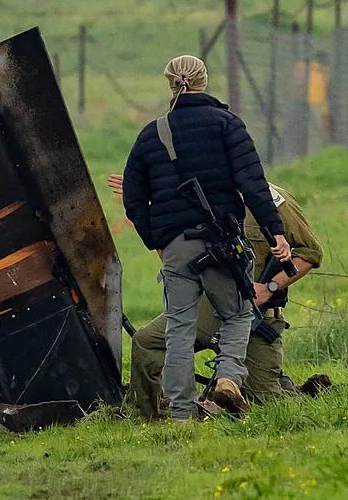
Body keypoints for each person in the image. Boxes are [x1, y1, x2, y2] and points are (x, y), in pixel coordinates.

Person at [121, 55, 292, 424]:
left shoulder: (151, 135)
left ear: (171, 84)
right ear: (205, 80)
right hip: (221, 243)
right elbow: (252, 184)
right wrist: (276, 232)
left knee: (178, 328)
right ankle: (229, 377)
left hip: (175, 249)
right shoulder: (227, 124)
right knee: (238, 313)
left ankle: (182, 416)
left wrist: (159, 239)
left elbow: (133, 198)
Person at [108, 175, 323, 417]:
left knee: (267, 403)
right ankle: (142, 415)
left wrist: (270, 288)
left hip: (257, 316)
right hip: (211, 306)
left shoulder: (273, 202)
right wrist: (147, 204)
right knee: (147, 342)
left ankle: (295, 391)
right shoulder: (199, 197)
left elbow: (311, 252)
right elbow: (170, 249)